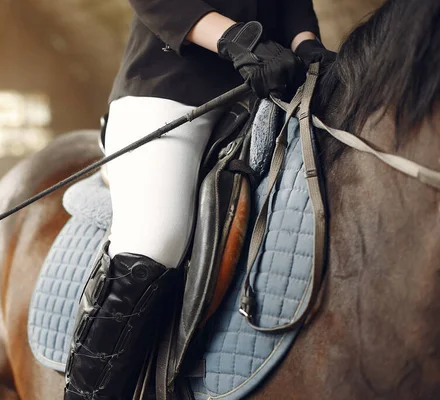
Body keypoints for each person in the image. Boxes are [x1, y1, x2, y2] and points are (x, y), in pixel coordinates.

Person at [64, 1, 335, 398]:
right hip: (171, 89)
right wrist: (235, 39)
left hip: (272, 86)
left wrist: (306, 45)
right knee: (157, 237)